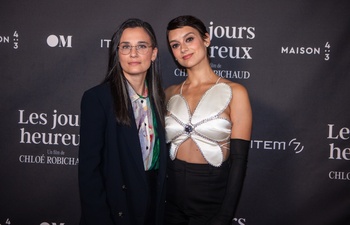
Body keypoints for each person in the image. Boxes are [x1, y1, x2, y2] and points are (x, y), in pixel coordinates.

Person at [164, 15, 252, 225]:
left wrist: (224, 216)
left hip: (211, 199)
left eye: (189, 39)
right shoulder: (168, 93)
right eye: (175, 45)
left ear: (206, 39)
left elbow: (239, 161)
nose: (183, 49)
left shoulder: (235, 92)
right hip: (169, 200)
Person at [78, 18, 167, 225]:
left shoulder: (162, 100)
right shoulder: (97, 99)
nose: (133, 54)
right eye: (126, 47)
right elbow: (89, 171)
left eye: (141, 46)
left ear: (153, 54)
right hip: (115, 209)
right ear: (117, 53)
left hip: (153, 208)